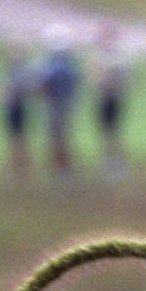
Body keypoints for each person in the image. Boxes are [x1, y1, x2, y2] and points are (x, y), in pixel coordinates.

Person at [39, 24, 82, 180]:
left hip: (58, 105)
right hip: (64, 105)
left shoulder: (58, 66)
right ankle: (61, 169)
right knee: (60, 137)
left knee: (58, 138)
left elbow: (45, 83)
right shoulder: (70, 64)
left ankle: (63, 169)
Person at [92, 24, 132, 180]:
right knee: (105, 130)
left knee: (112, 130)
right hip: (103, 97)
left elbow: (125, 79)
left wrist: (113, 86)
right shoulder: (101, 56)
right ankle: (109, 160)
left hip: (112, 98)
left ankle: (116, 162)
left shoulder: (117, 58)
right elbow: (96, 78)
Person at [0, 45, 35, 184]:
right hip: (13, 108)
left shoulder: (20, 72)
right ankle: (16, 166)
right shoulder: (12, 71)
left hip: (18, 107)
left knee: (19, 138)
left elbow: (22, 89)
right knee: (14, 138)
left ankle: (21, 167)